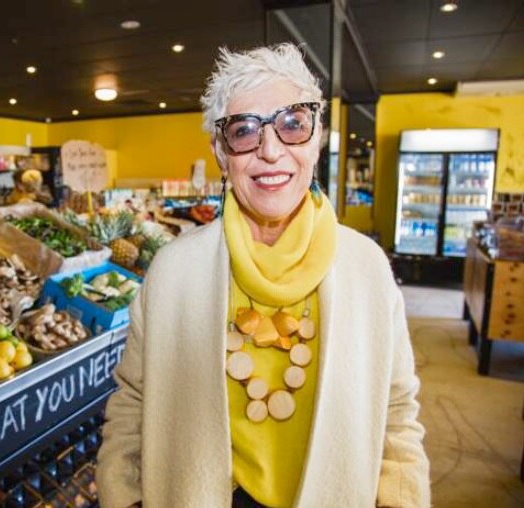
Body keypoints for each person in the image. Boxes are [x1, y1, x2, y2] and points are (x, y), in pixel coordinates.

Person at [96, 44, 430, 508]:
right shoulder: (174, 271)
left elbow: (397, 415)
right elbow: (132, 402)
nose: (271, 151)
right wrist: (124, 497)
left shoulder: (366, 268)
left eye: (292, 124)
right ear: (220, 151)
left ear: (317, 138)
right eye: (244, 131)